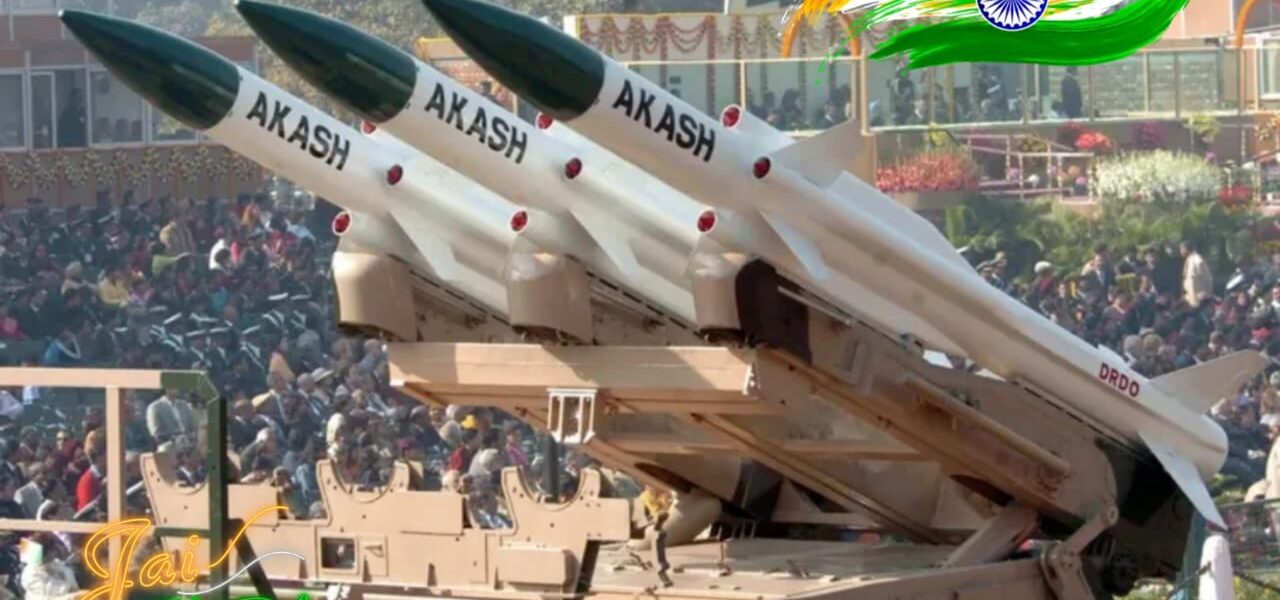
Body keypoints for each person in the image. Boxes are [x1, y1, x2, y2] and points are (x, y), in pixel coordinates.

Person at [1181, 241, 1213, 308]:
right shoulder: (1189, 260)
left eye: (1182, 248)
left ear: (1186, 249)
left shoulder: (1196, 259)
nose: (1181, 251)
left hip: (1199, 298)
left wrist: (1207, 292)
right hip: (1191, 298)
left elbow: (1207, 277)